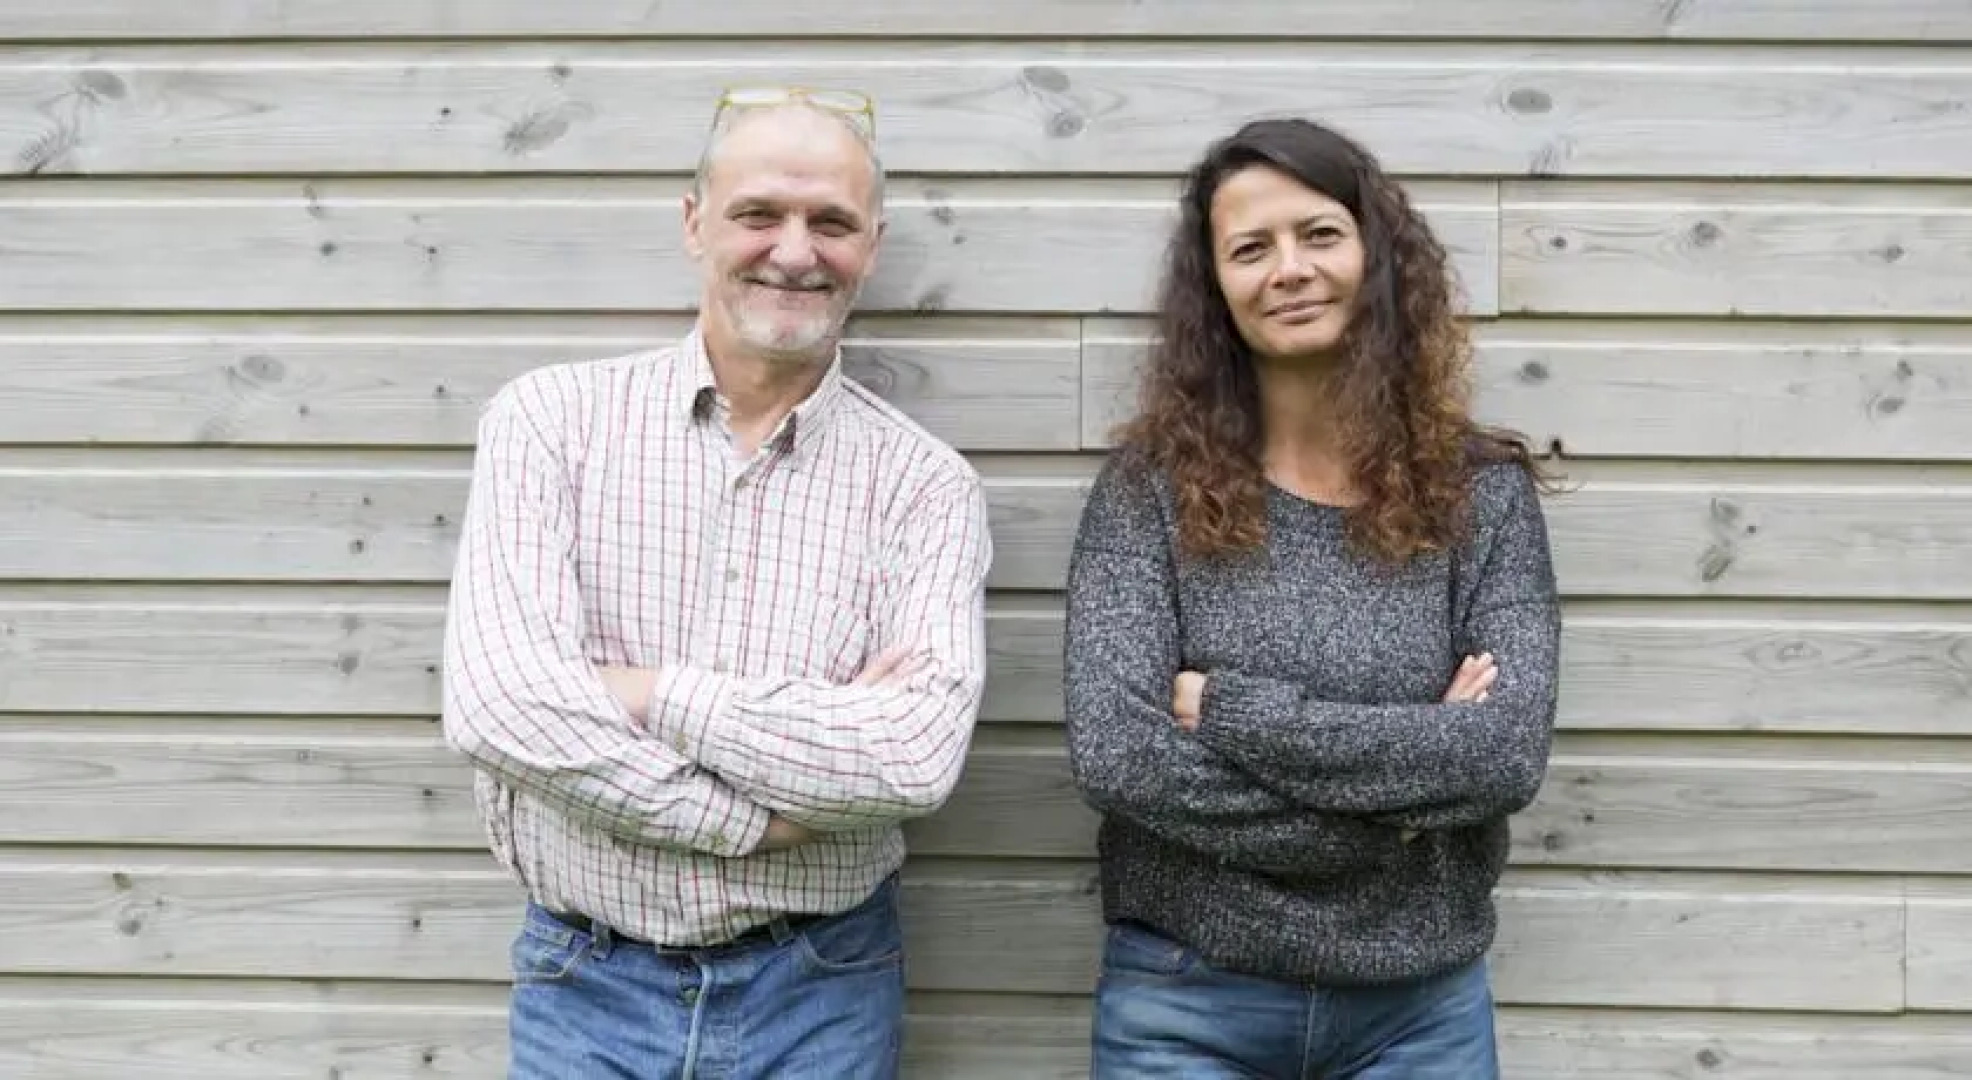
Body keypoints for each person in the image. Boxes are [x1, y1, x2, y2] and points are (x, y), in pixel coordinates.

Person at [440, 86, 992, 1079]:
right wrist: (753, 819)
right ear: (695, 223)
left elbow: (910, 758)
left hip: (819, 985)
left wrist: (644, 692)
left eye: (831, 222)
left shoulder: (925, 487)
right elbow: (501, 705)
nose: (794, 250)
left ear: (872, 243)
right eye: (757, 214)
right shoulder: (550, 423)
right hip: (586, 981)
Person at [1062, 116, 1563, 1079]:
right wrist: (1406, 810)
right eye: (1251, 249)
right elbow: (1122, 759)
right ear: (1217, 290)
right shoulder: (1147, 492)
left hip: (1419, 1012)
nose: (1288, 268)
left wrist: (1229, 710)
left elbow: (1501, 754)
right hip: (1185, 1001)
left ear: (1375, 256)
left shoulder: (1481, 493)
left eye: (1319, 234)